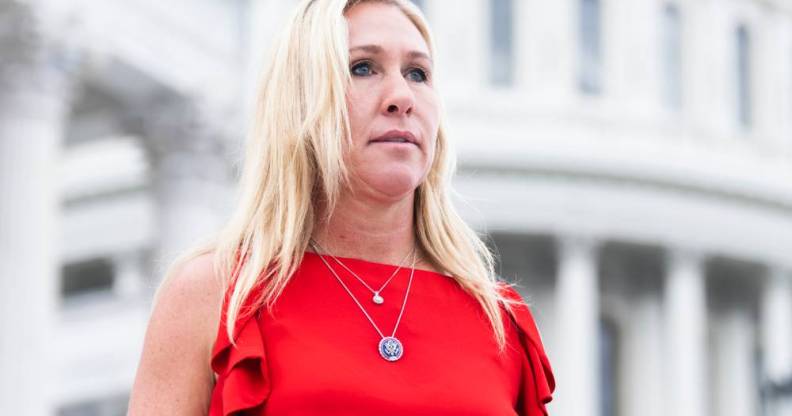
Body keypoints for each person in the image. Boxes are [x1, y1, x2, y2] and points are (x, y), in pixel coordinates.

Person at [128, 0, 555, 414]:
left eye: (417, 73)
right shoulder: (213, 292)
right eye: (363, 67)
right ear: (300, 101)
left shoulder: (501, 321)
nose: (401, 97)